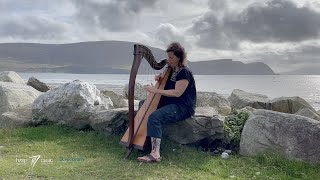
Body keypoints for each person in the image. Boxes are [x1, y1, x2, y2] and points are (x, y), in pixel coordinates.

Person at [137, 42, 197, 163]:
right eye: (168, 57)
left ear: (179, 57)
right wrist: (160, 79)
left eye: (171, 57)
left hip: (182, 107)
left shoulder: (184, 72)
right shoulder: (172, 70)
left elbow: (177, 93)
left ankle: (155, 154)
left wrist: (155, 90)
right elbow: (169, 86)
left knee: (154, 117)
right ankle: (144, 140)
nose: (168, 60)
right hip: (172, 103)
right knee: (143, 103)